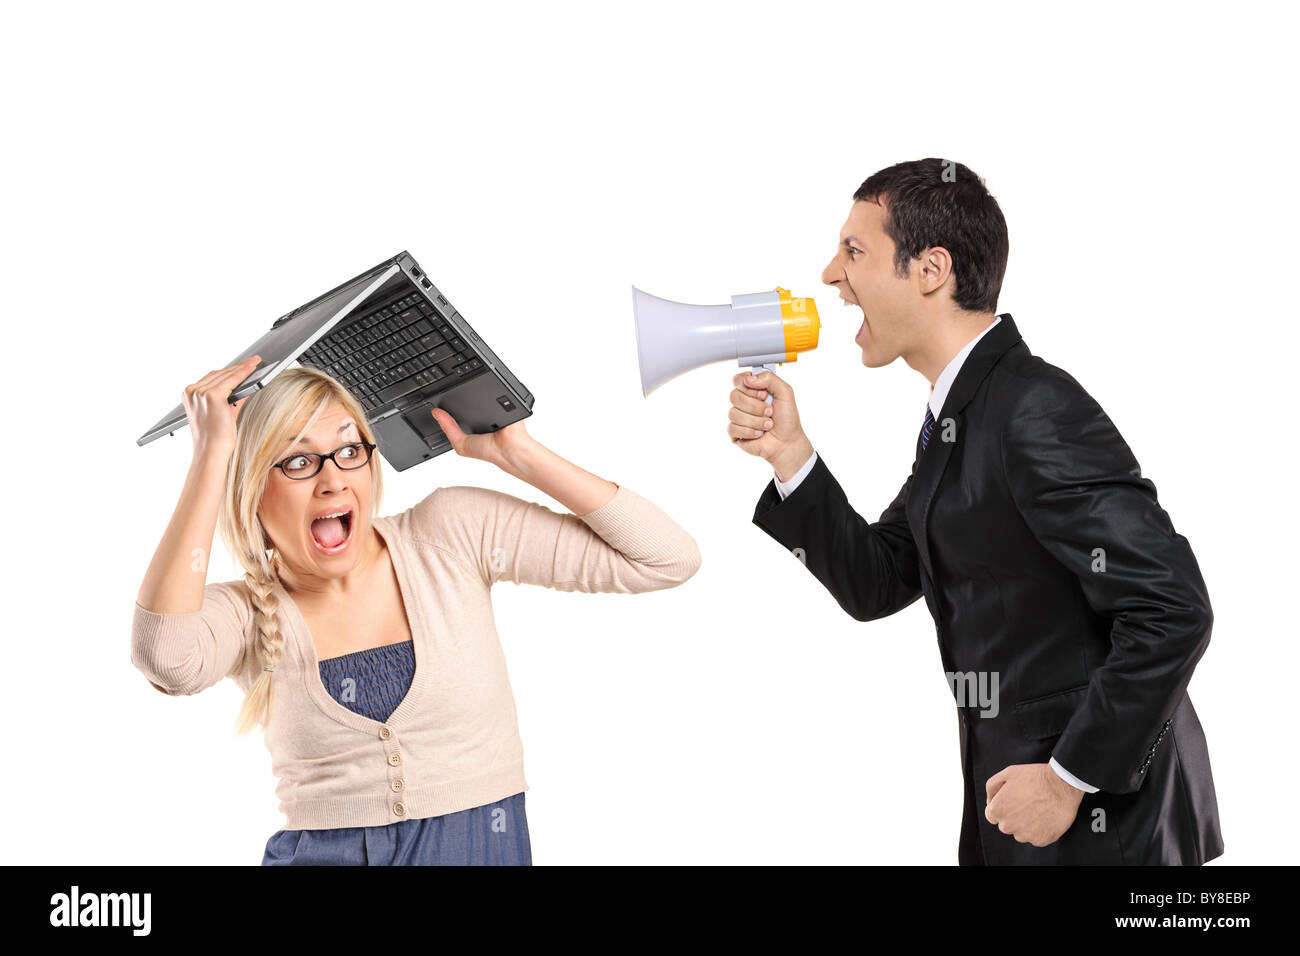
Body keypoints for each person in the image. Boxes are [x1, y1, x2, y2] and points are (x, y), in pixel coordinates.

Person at [729, 157, 1222, 865]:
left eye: (854, 251)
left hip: (1104, 829)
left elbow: (1173, 607)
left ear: (931, 270)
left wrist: (1068, 778)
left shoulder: (1033, 409)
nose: (830, 275)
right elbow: (877, 581)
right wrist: (791, 454)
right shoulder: (959, 414)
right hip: (1020, 818)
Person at [132, 358, 701, 865]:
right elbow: (166, 659)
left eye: (350, 450)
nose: (333, 480)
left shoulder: (450, 533)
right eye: (298, 461)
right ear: (253, 487)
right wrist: (211, 457)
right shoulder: (246, 611)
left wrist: (518, 453)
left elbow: (666, 559)